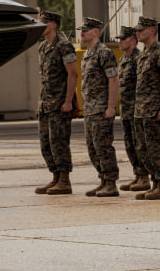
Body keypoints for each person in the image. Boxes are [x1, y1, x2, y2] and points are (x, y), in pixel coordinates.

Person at [35, 11, 77, 195]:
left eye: (43, 23)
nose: (40, 25)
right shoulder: (43, 47)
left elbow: (73, 74)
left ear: (53, 25)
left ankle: (65, 180)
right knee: (46, 143)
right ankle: (55, 177)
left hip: (60, 104)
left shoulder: (64, 46)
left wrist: (68, 101)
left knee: (59, 142)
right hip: (45, 103)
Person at [133, 16, 160, 200]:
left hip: (154, 110)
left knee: (156, 147)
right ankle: (155, 183)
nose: (137, 32)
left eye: (141, 30)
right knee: (143, 148)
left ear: (151, 31)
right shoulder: (142, 54)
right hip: (141, 110)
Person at [78, 16, 120, 196]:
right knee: (92, 147)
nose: (82, 32)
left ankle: (111, 182)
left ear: (95, 32)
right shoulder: (87, 54)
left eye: (85, 30)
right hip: (89, 109)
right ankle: (103, 179)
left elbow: (113, 80)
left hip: (101, 108)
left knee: (103, 146)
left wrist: (111, 107)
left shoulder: (104, 53)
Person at [117, 25, 149, 191]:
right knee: (129, 144)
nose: (120, 42)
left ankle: (144, 176)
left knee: (139, 144)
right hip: (126, 110)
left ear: (133, 41)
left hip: (137, 110)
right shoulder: (123, 60)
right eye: (120, 39)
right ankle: (137, 174)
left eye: (123, 39)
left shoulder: (139, 58)